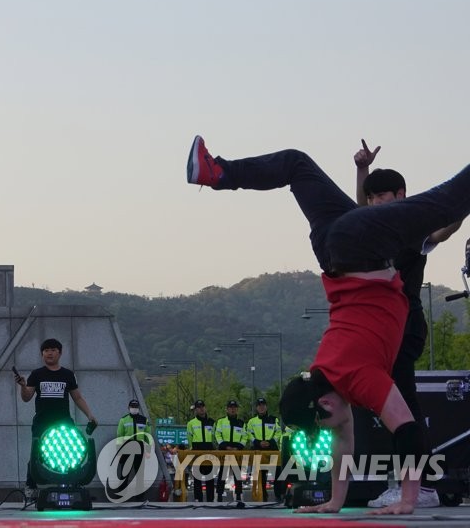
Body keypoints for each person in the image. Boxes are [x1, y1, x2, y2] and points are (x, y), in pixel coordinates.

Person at [187, 135, 470, 514]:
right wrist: (335, 501)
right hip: (332, 249)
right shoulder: (322, 371)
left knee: (449, 199)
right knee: (295, 163)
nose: (335, 427)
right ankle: (216, 173)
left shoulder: (359, 380)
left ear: (323, 402)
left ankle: (216, 173)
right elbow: (343, 446)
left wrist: (408, 499)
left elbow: (406, 428)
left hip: (358, 251)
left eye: (326, 421)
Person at [353, 141, 461, 509]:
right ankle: (410, 483)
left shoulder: (412, 228)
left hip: (405, 324)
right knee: (393, 407)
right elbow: (359, 211)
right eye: (372, 197)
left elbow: (443, 232)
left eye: (381, 196)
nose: (374, 203)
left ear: (400, 195)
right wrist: (362, 170)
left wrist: (461, 204)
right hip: (381, 328)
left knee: (403, 406)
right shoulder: (375, 230)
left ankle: (422, 487)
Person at [13, 338, 99, 497]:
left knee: (71, 452)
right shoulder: (36, 374)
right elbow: (26, 397)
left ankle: (73, 484)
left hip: (63, 421)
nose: (49, 353)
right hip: (42, 422)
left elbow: (77, 397)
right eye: (46, 351)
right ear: (42, 354)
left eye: (53, 350)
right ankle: (30, 486)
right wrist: (23, 386)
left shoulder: (68, 375)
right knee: (37, 454)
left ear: (60, 353)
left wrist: (89, 414)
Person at [245, 397, 283, 502]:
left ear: (266, 407)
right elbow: (249, 434)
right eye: (259, 406)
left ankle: (278, 496)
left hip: (272, 449)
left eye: (263, 405)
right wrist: (258, 442)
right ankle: (263, 497)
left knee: (278, 473)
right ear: (256, 408)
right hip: (258, 449)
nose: (261, 407)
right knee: (261, 475)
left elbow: (278, 432)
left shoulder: (274, 419)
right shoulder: (252, 421)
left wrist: (271, 442)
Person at [185, 400, 217, 502]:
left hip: (209, 451)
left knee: (210, 478)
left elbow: (214, 437)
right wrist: (192, 448)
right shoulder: (191, 423)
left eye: (202, 406)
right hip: (197, 451)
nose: (201, 409)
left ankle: (210, 500)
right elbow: (189, 437)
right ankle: (198, 499)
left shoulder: (212, 422)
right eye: (198, 407)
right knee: (197, 478)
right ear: (195, 410)